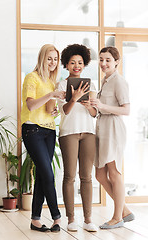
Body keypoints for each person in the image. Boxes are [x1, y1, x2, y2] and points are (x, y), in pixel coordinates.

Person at [21, 44, 65, 232]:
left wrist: (53, 111)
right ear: (42, 58)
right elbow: (31, 106)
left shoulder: (52, 82)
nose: (53, 62)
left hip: (49, 130)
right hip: (33, 131)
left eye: (55, 59)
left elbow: (47, 110)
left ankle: (35, 219)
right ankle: (57, 217)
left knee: (42, 174)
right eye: (49, 58)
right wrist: (50, 95)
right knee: (48, 173)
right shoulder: (32, 78)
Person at [90, 46, 135, 229]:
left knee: (114, 172)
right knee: (100, 174)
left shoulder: (119, 82)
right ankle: (124, 210)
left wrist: (102, 106)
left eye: (108, 60)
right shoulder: (104, 81)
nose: (103, 63)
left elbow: (126, 110)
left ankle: (117, 217)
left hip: (114, 129)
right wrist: (92, 106)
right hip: (102, 127)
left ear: (117, 61)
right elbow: (98, 109)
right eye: (101, 59)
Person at [57, 44, 98, 232]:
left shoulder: (92, 84)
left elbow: (93, 113)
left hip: (88, 132)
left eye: (80, 62)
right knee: (69, 176)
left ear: (84, 64)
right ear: (66, 64)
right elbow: (63, 112)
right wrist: (74, 98)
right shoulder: (61, 85)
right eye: (72, 62)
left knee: (87, 177)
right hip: (68, 133)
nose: (76, 65)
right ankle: (71, 218)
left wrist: (89, 103)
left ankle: (88, 219)